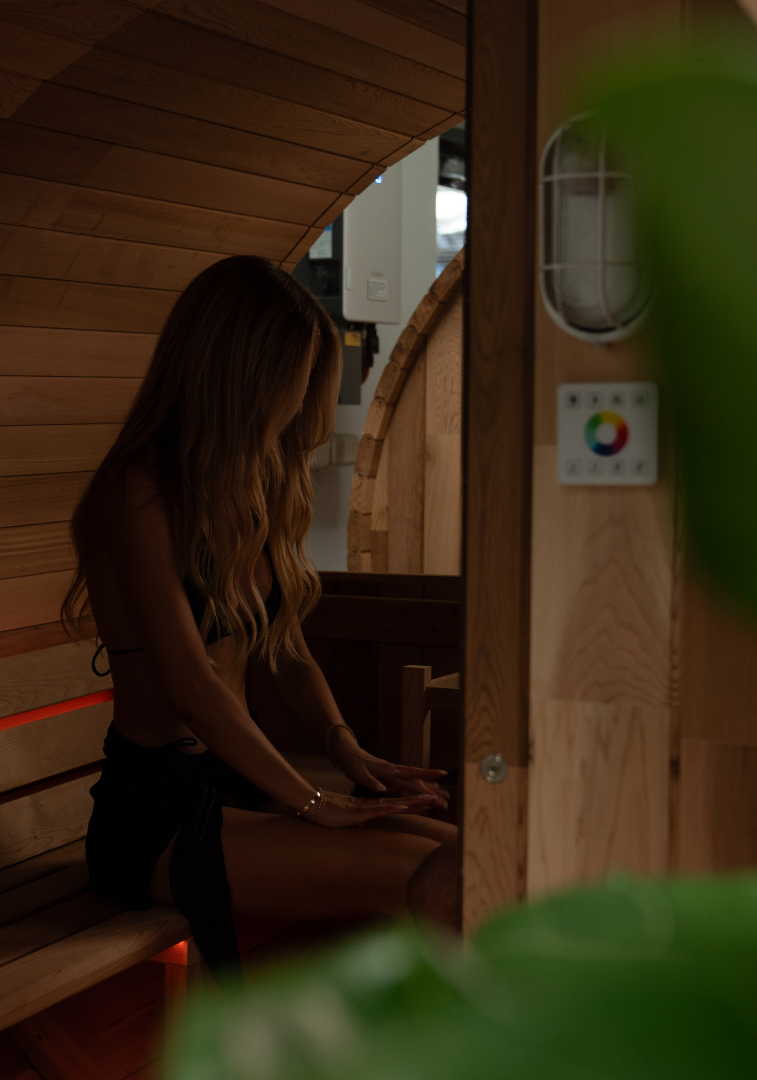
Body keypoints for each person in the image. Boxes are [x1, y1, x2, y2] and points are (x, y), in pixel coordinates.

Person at [61, 255, 459, 974]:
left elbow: (285, 649)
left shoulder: (246, 484)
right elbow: (192, 687)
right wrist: (312, 800)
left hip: (238, 786)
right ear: (239, 375)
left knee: (467, 854)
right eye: (295, 379)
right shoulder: (135, 494)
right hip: (158, 813)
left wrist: (346, 753)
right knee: (436, 882)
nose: (301, 401)